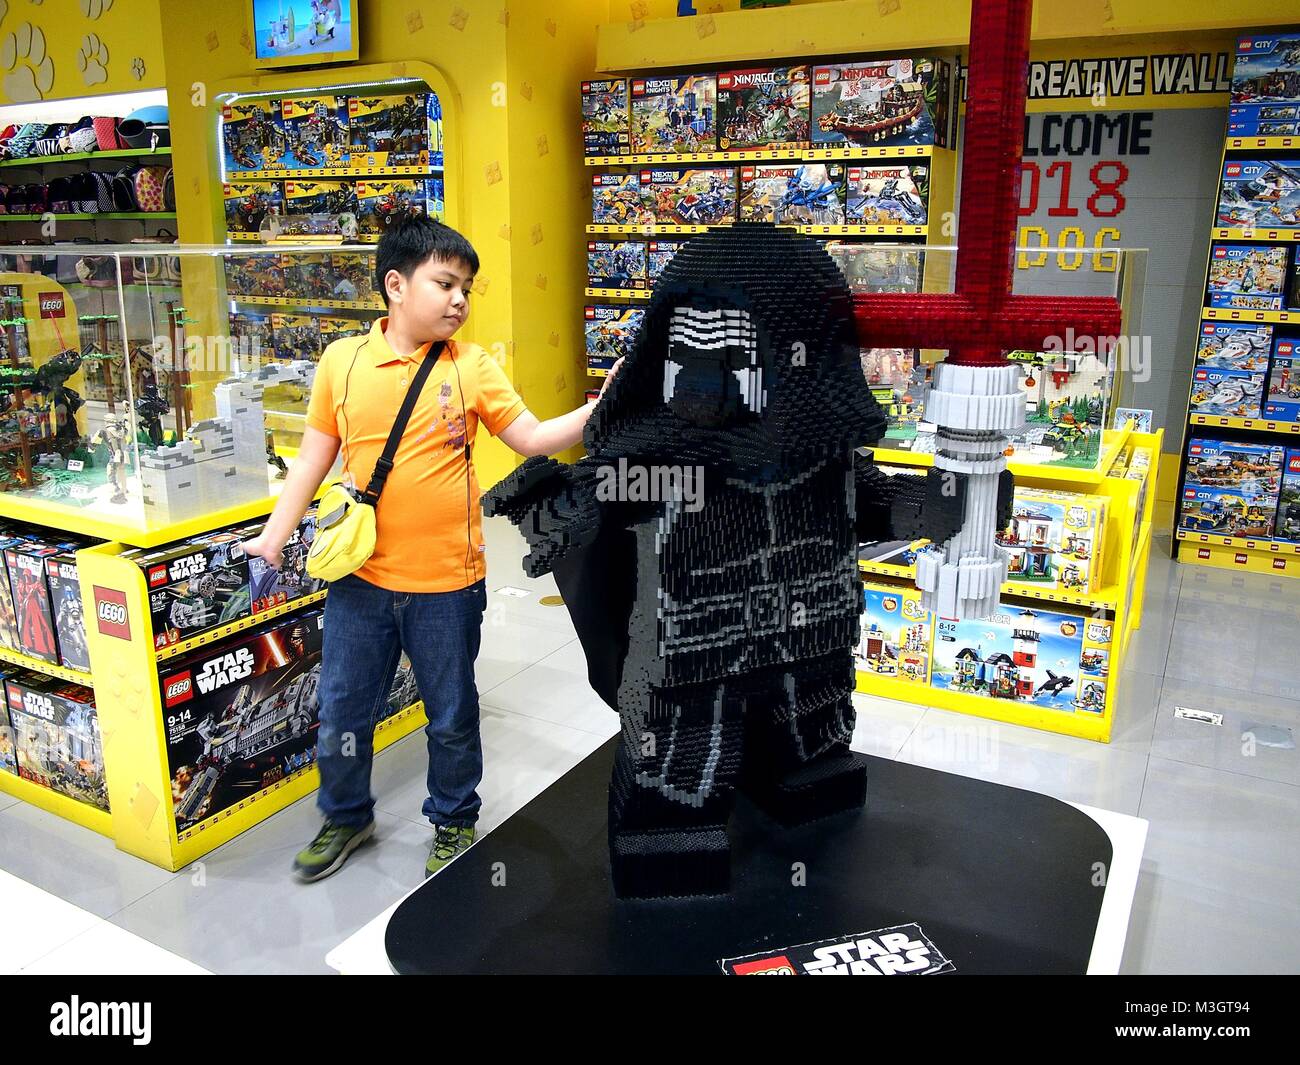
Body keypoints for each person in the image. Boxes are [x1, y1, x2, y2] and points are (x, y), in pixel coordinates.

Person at [243, 216, 620, 882]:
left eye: (466, 288)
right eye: (445, 282)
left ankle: (452, 819)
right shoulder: (342, 362)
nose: (459, 300)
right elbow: (312, 457)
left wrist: (601, 405)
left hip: (448, 582)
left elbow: (531, 436)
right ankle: (346, 813)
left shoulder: (470, 366)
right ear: (395, 284)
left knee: (450, 712)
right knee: (341, 706)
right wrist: (274, 537)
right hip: (359, 578)